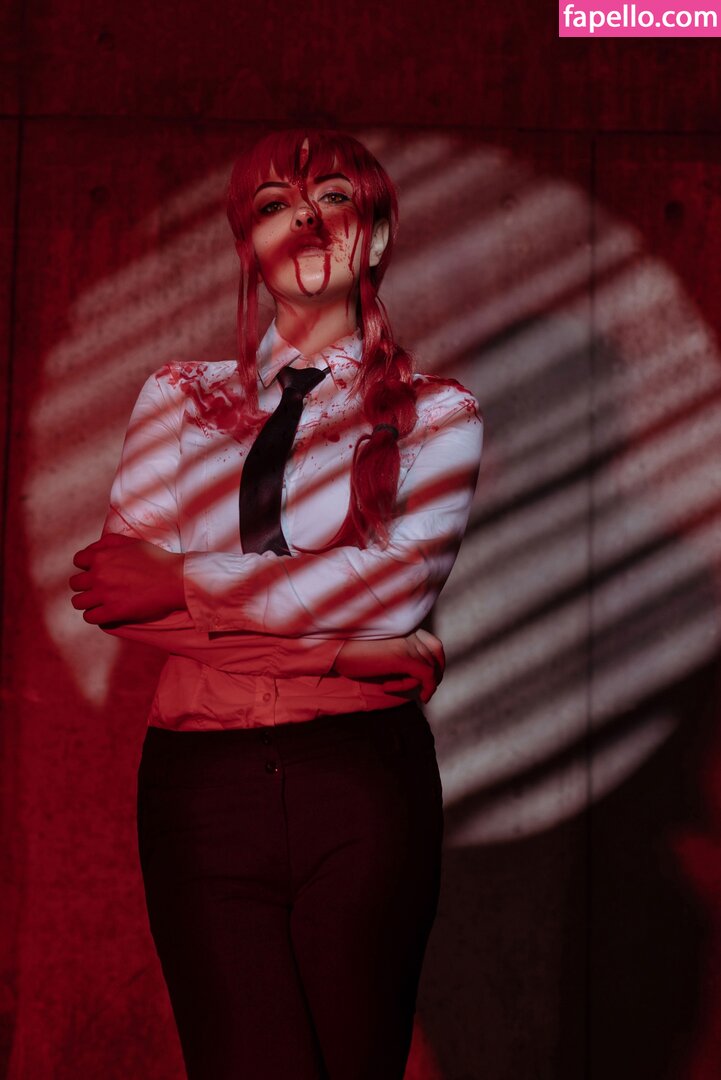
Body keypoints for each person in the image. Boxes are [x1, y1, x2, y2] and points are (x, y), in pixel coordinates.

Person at [69, 128, 483, 1080]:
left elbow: (391, 590)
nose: (303, 219)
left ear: (376, 236)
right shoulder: (180, 395)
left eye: (330, 196)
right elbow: (116, 591)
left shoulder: (438, 412)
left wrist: (187, 581)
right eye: (272, 206)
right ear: (247, 245)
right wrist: (337, 653)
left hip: (359, 781)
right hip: (201, 788)